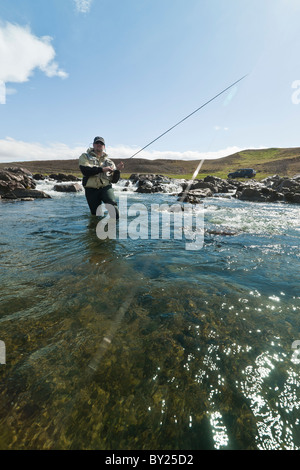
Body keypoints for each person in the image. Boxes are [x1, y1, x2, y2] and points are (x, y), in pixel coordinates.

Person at [79, 136, 124, 218]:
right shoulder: (85, 156)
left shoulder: (110, 162)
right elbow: (85, 170)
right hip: (91, 190)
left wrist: (117, 171)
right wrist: (102, 169)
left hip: (106, 188)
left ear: (104, 146)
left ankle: (115, 230)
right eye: (97, 143)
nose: (99, 144)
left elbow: (114, 180)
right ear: (93, 145)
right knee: (95, 215)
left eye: (101, 143)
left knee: (115, 212)